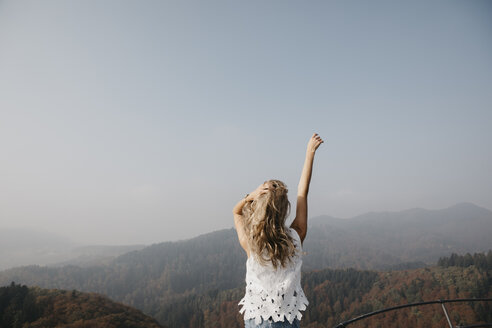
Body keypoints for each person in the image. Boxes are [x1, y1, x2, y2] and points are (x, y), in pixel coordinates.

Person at [233, 133, 324, 328]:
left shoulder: (251, 243)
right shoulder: (296, 235)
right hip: (287, 321)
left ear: (258, 206)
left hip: (257, 321)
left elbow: (237, 212)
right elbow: (302, 192)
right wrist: (309, 153)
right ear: (284, 208)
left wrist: (251, 196)